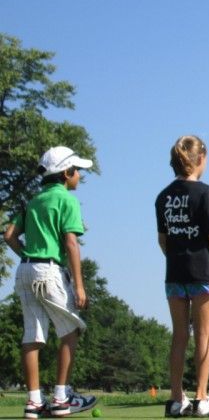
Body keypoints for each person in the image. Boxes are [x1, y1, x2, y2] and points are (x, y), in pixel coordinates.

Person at [3, 146, 97, 419]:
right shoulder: (66, 200)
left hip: (25, 271)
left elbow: (9, 235)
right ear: (66, 173)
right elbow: (70, 242)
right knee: (71, 331)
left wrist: (29, 255)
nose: (79, 175)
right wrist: (79, 285)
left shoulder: (33, 200)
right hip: (49, 271)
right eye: (76, 170)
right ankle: (61, 396)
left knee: (32, 336)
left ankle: (33, 402)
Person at [155, 135, 209, 418]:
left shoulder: (163, 196)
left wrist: (177, 259)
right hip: (203, 272)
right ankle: (201, 398)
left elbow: (163, 240)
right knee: (203, 335)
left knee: (179, 336)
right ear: (200, 159)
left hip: (175, 274)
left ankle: (177, 399)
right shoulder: (206, 193)